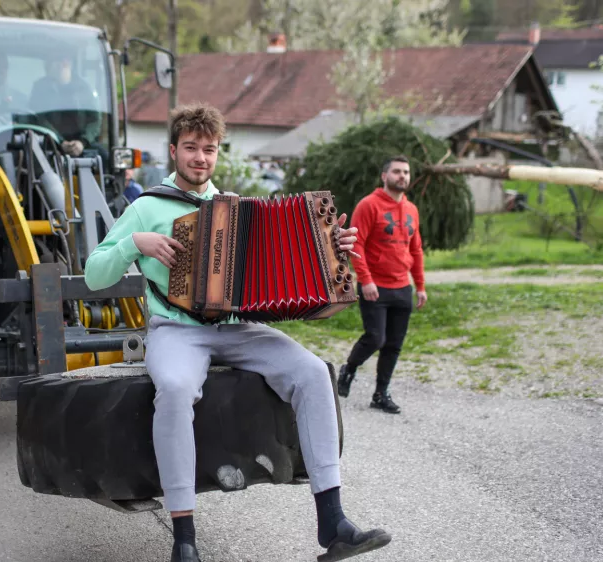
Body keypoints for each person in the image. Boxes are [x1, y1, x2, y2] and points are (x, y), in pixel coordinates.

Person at [83, 102, 391, 562]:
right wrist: (133, 243)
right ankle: (184, 538)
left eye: (209, 149)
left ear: (217, 153)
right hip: (177, 330)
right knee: (173, 387)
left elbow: (283, 269)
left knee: (311, 373)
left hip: (237, 327)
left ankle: (334, 524)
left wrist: (333, 251)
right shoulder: (146, 207)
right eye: (191, 148)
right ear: (174, 150)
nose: (200, 158)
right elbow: (93, 274)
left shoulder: (234, 209)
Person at [336, 156, 428, 414]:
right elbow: (357, 245)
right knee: (375, 337)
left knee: (394, 345)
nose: (403, 176)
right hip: (375, 286)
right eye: (397, 172)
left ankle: (380, 393)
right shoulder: (369, 205)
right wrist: (365, 280)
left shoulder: (411, 210)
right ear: (384, 176)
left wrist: (419, 285)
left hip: (402, 287)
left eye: (406, 172)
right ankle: (349, 369)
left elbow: (416, 249)